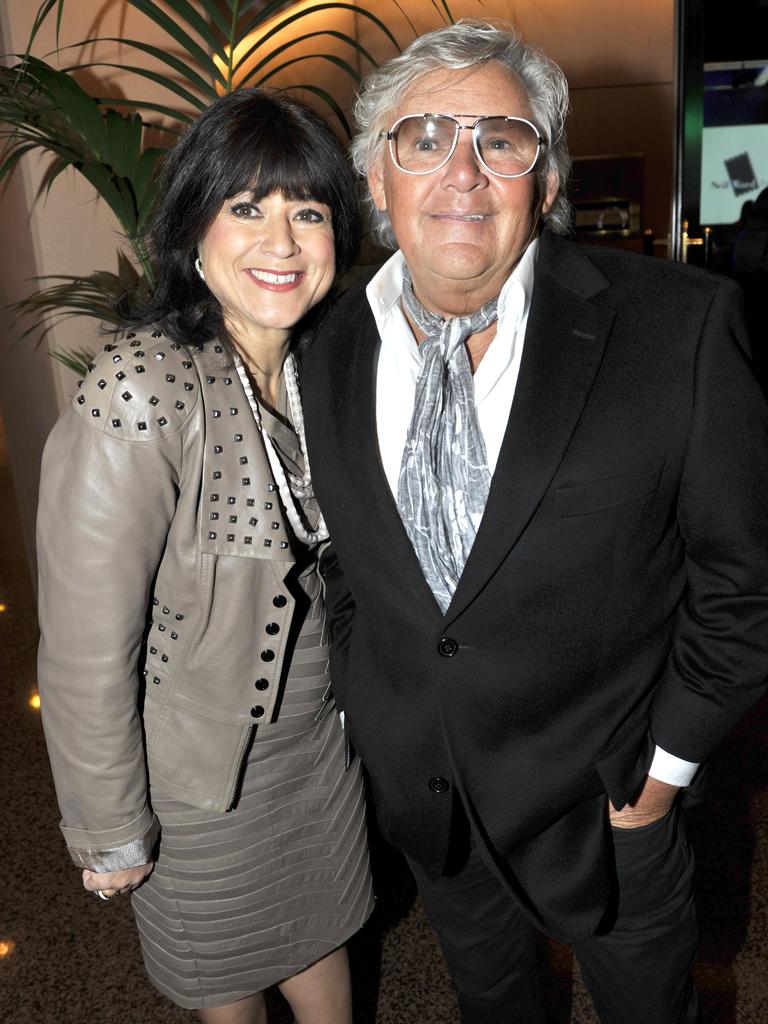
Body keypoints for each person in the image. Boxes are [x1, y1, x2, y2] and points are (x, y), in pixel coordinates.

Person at [300, 20, 768, 1024]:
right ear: (374, 180)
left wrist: (664, 769)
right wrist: (378, 710)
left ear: (545, 181)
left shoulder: (677, 328)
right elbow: (346, 565)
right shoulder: (323, 347)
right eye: (423, 138)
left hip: (611, 803)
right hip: (435, 802)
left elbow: (745, 582)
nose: (461, 172)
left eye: (500, 140)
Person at [36, 88, 373, 1024]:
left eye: (308, 211)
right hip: (197, 792)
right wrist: (109, 831)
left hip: (318, 759)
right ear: (193, 230)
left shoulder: (326, 364)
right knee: (230, 996)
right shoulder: (141, 388)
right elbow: (82, 650)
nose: (282, 240)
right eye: (247, 207)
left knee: (326, 951)